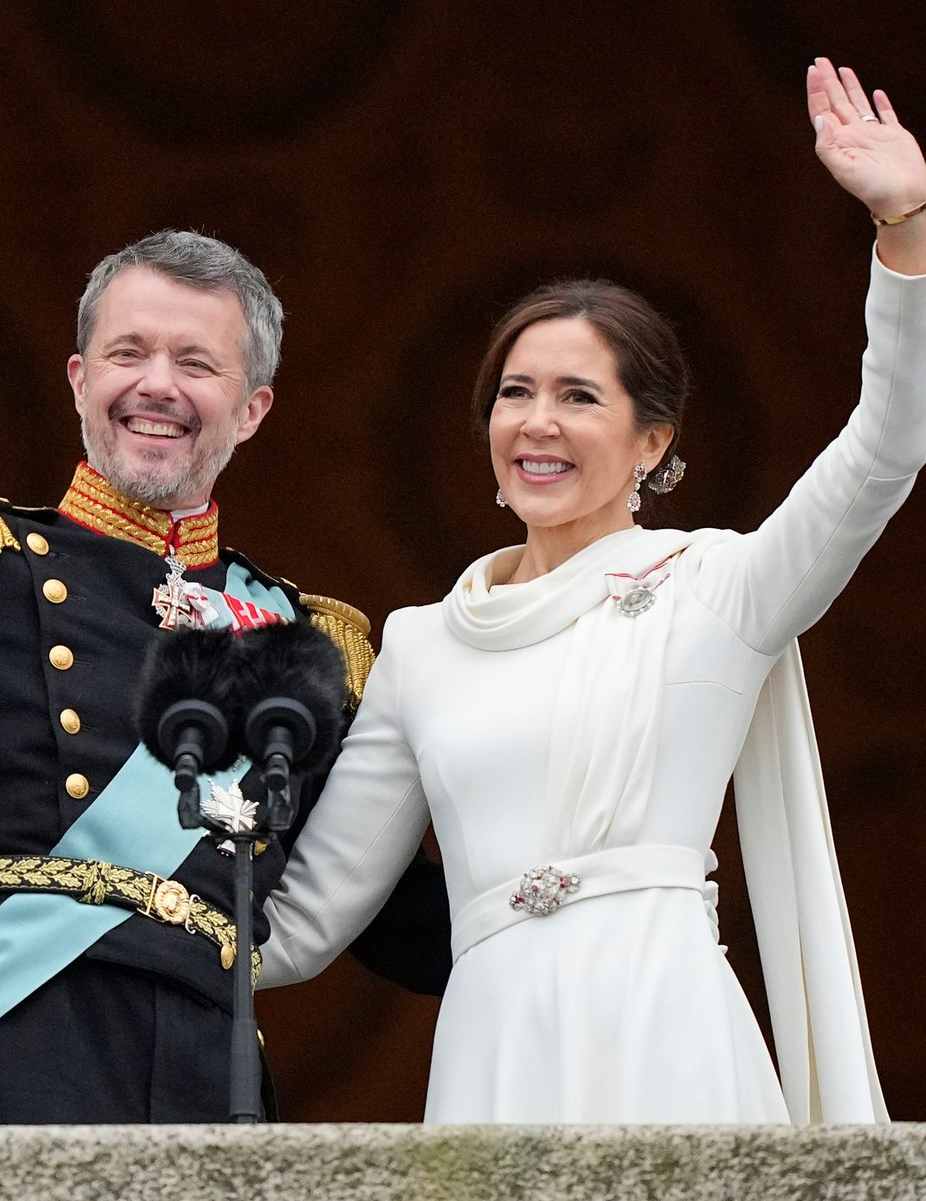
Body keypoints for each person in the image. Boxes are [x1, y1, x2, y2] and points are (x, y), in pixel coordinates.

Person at [258, 58, 926, 1124]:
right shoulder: (423, 645)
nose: (539, 421)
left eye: (579, 396)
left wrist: (905, 231)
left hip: (668, 1030)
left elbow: (885, 448)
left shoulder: (718, 588)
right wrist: (102, 901)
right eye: (515, 393)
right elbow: (299, 923)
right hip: (494, 1054)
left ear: (652, 441)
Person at [0, 230, 449, 1125]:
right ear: (79, 380)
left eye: (196, 362)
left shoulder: (298, 649)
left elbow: (407, 920)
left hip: (205, 1097)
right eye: (128, 352)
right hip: (0, 1070)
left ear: (252, 409)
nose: (157, 385)